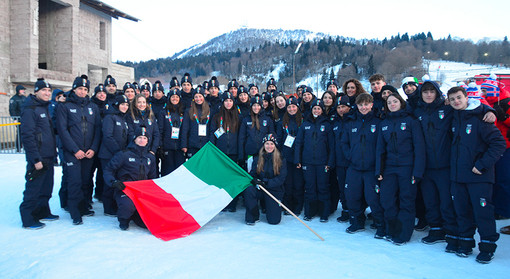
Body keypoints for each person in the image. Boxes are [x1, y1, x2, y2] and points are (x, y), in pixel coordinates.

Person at [448, 86, 506, 264]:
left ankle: (487, 247)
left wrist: (482, 165)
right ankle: (466, 243)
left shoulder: (481, 118)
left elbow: (499, 144)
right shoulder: (454, 118)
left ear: (467, 98)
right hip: (458, 176)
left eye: (459, 98)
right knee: (462, 211)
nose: (456, 101)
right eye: (452, 99)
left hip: (478, 177)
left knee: (483, 213)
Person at [376, 92, 425, 245]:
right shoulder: (384, 124)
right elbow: (380, 150)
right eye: (389, 103)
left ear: (401, 103)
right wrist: (379, 171)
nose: (392, 105)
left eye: (395, 101)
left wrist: (417, 172)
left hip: (407, 168)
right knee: (387, 200)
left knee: (406, 201)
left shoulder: (411, 121)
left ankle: (404, 233)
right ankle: (392, 229)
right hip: (390, 168)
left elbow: (419, 148)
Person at [56, 75, 101, 225]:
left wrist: (93, 148)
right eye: (80, 88)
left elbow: (97, 130)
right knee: (74, 182)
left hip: (89, 152)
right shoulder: (65, 106)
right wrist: (75, 150)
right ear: (74, 89)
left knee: (86, 181)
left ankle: (83, 207)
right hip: (72, 153)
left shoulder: (92, 106)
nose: (82, 91)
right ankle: (75, 212)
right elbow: (62, 130)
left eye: (85, 89)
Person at [341, 93, 385, 238]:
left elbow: (381, 147)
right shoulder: (351, 122)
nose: (364, 107)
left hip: (371, 169)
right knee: (352, 196)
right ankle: (357, 221)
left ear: (371, 105)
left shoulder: (378, 122)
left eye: (366, 104)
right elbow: (344, 143)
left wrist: (379, 167)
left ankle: (380, 225)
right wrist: (350, 156)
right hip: (354, 167)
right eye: (361, 105)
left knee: (373, 198)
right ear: (357, 106)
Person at [19, 78, 58, 229]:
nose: (47, 93)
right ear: (36, 92)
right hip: (38, 157)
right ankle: (28, 218)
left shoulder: (43, 107)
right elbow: (28, 136)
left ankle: (43, 211)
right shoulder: (30, 109)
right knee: (34, 189)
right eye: (44, 90)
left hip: (48, 156)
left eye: (49, 91)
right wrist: (35, 159)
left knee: (46, 187)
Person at [103, 126, 157, 230]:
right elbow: (108, 170)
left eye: (145, 138)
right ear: (134, 139)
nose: (142, 140)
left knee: (150, 217)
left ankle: (137, 216)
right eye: (139, 137)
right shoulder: (124, 154)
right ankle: (124, 219)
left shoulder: (150, 158)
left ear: (148, 141)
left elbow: (153, 177)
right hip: (126, 189)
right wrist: (114, 182)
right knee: (128, 206)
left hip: (142, 190)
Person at [294, 100, 334, 222]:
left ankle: (324, 212)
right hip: (308, 162)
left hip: (322, 162)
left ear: (322, 110)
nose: (316, 111)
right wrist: (298, 159)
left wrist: (329, 162)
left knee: (323, 187)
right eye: (314, 109)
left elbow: (331, 146)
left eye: (318, 109)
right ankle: (309, 212)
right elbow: (299, 143)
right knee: (310, 187)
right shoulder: (305, 124)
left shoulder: (327, 125)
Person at [481, 75, 510, 228]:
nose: (484, 93)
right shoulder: (484, 103)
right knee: (492, 180)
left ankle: (504, 210)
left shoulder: (506, 101)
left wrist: (503, 115)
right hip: (489, 148)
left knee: (504, 179)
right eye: (483, 90)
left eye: (486, 90)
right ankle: (493, 207)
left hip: (506, 147)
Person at [98, 94, 130, 216]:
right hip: (108, 154)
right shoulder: (110, 117)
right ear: (117, 105)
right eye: (122, 104)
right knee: (108, 180)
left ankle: (114, 204)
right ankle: (108, 207)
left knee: (116, 180)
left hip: (118, 155)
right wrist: (118, 151)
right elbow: (108, 136)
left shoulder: (123, 118)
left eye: (127, 105)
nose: (125, 107)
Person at [246, 134, 287, 225]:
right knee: (249, 190)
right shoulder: (257, 158)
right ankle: (253, 216)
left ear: (275, 145)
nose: (269, 146)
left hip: (274, 191)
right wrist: (255, 180)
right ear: (263, 145)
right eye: (267, 143)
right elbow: (253, 173)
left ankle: (271, 208)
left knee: (274, 221)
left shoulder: (281, 159)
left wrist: (266, 182)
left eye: (271, 144)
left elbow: (281, 179)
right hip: (261, 188)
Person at [276, 96, 304, 215]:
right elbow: (279, 138)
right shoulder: (283, 121)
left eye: (293, 106)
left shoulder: (302, 120)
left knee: (298, 183)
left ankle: (298, 205)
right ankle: (288, 204)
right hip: (286, 156)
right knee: (288, 182)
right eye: (289, 107)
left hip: (299, 157)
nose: (291, 109)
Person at [239, 95, 275, 172]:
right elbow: (241, 138)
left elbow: (272, 136)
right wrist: (241, 156)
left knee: (262, 174)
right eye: (254, 105)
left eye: (258, 105)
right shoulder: (246, 120)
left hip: (263, 154)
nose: (256, 108)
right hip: (250, 154)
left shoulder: (267, 119)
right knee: (251, 175)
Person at [332, 95, 352, 222]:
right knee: (342, 187)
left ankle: (355, 211)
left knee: (352, 188)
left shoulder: (353, 120)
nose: (341, 109)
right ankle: (346, 210)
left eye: (343, 106)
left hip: (351, 161)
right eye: (338, 107)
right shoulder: (335, 122)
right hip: (339, 161)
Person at [157, 89, 186, 176]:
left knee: (179, 173)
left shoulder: (183, 112)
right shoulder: (163, 112)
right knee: (167, 172)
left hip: (180, 148)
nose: (175, 99)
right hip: (167, 147)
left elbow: (185, 130)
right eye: (173, 97)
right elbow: (160, 130)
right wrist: (161, 146)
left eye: (177, 97)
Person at [180, 88, 211, 158]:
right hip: (192, 146)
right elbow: (185, 129)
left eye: (200, 96)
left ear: (204, 97)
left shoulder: (210, 111)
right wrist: (184, 145)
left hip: (206, 146)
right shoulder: (189, 111)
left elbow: (211, 130)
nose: (198, 99)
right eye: (196, 96)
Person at [9, 84, 27, 152]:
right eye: (22, 90)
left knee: (26, 132)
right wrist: (15, 119)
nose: (23, 91)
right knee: (20, 133)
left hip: (25, 118)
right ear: (18, 90)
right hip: (19, 118)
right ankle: (19, 147)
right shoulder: (14, 99)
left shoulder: (24, 98)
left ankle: (25, 147)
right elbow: (12, 110)